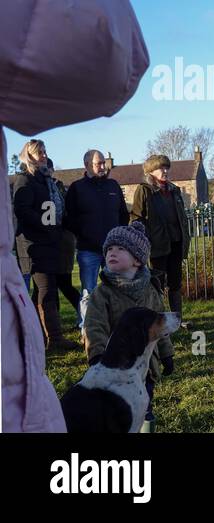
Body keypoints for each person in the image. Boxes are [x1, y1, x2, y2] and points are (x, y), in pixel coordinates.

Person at [1, 0, 149, 432]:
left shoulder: (68, 184)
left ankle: (106, 338)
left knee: (100, 294)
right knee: (81, 296)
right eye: (37, 151)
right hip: (76, 248)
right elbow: (113, 64)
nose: (103, 167)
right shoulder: (44, 185)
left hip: (75, 246)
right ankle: (84, 340)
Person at [83, 222, 175, 433]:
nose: (112, 253)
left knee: (145, 404)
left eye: (120, 249)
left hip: (145, 368)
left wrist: (167, 354)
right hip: (112, 367)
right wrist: (96, 355)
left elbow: (160, 326)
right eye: (109, 249)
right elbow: (93, 326)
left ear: (137, 260)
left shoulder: (150, 290)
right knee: (114, 410)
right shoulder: (102, 293)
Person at [10, 140, 79, 351]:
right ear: (29, 156)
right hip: (33, 244)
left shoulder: (45, 181)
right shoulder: (25, 180)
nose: (43, 155)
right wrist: (43, 225)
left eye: (44, 152)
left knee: (42, 291)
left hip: (50, 241)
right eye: (39, 152)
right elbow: (22, 210)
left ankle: (40, 337)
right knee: (45, 290)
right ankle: (53, 338)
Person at [130, 154, 190, 319]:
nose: (165, 171)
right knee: (157, 284)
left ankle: (176, 319)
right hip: (156, 246)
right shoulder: (144, 190)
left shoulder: (174, 190)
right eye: (160, 168)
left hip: (176, 242)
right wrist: (144, 241)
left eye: (166, 167)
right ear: (151, 172)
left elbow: (181, 217)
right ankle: (158, 319)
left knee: (175, 283)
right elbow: (136, 218)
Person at [65, 149, 129, 295]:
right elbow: (69, 218)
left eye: (103, 163)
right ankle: (86, 319)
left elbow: (123, 214)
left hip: (113, 249)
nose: (102, 167)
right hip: (88, 250)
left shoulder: (113, 185)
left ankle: (116, 318)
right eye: (98, 164)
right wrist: (83, 234)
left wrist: (119, 236)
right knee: (89, 291)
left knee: (117, 291)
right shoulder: (77, 188)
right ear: (87, 164)